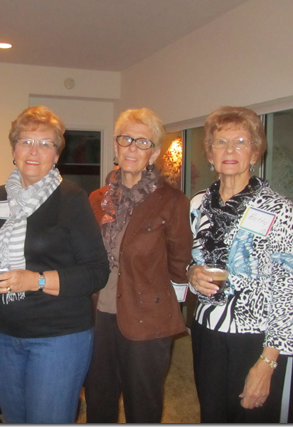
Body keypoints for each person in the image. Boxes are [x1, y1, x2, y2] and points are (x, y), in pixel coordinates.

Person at [0, 106, 110, 423]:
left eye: (45, 144)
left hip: (57, 337)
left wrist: (36, 280)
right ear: (14, 150)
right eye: (26, 141)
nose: (34, 151)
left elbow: (96, 271)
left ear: (56, 155)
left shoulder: (72, 199)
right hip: (1, 333)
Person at [187, 106, 293, 423]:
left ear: (254, 153)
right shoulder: (198, 203)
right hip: (206, 331)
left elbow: (287, 289)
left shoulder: (277, 208)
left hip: (254, 339)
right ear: (210, 153)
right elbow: (192, 260)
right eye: (221, 142)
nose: (230, 150)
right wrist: (192, 273)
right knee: (211, 415)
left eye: (240, 142)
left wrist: (268, 362)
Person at [84, 108, 193, 423]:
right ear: (116, 145)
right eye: (126, 139)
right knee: (98, 402)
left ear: (154, 153)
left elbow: (180, 263)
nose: (132, 148)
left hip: (148, 319)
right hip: (97, 315)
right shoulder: (97, 199)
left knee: (143, 406)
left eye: (143, 142)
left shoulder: (172, 201)